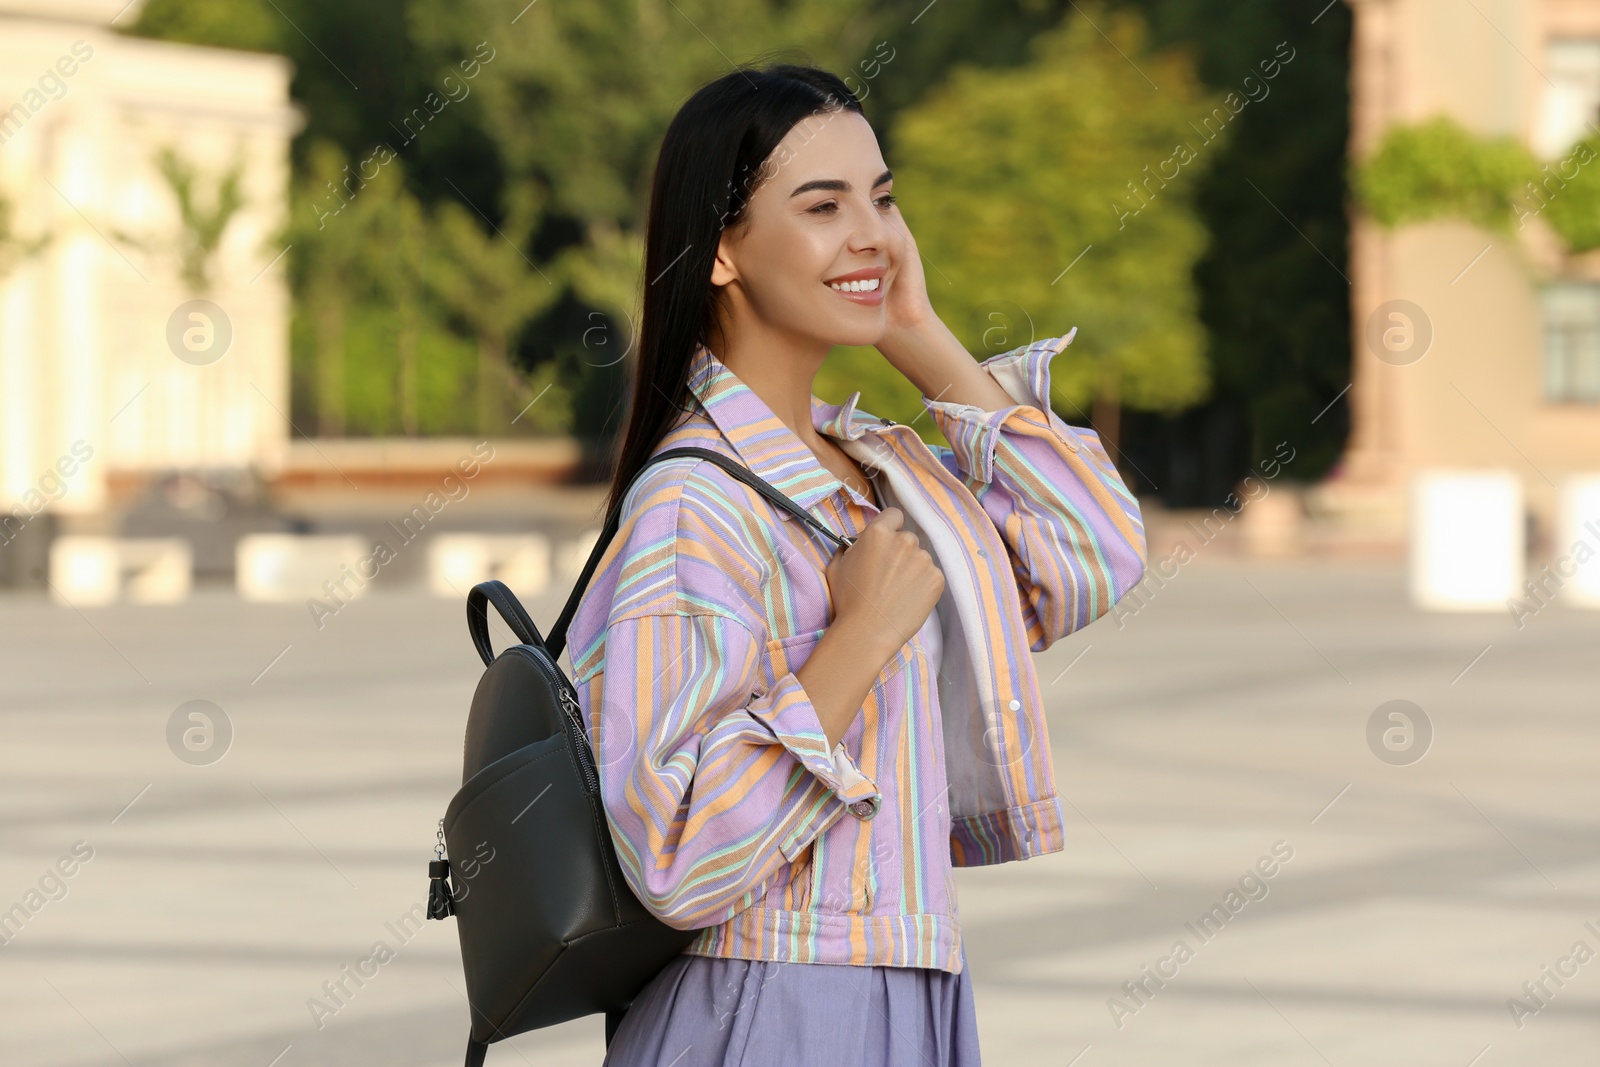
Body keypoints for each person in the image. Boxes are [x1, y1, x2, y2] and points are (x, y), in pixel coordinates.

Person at [563, 62, 1147, 1066]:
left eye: (882, 199)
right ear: (720, 252)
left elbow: (1094, 547)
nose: (871, 232)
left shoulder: (876, 471)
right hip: (770, 1007)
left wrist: (916, 331)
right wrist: (861, 637)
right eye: (823, 205)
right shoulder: (695, 505)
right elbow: (675, 855)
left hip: (900, 994)